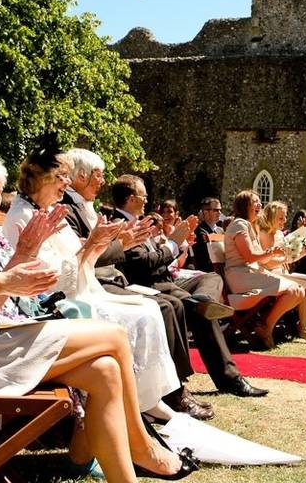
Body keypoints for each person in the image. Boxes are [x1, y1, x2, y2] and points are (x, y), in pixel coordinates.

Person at [0, 88, 195, 482]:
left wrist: (10, 280)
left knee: (106, 370)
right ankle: (144, 449)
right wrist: (5, 280)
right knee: (112, 336)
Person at [3, 143, 182, 421]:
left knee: (148, 309)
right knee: (141, 316)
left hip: (80, 289)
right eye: (61, 177)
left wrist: (99, 243)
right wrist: (93, 246)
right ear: (43, 178)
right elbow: (49, 278)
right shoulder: (23, 216)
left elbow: (80, 257)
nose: (65, 183)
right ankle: (135, 402)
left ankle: (149, 397)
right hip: (57, 302)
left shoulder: (49, 210)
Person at [60, 149, 214, 421]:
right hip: (106, 282)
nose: (103, 182)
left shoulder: (86, 208)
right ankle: (165, 392)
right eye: (99, 175)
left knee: (187, 294)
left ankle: (170, 387)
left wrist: (170, 243)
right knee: (166, 306)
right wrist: (159, 243)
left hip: (122, 278)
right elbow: (132, 262)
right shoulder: (75, 210)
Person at [114, 175, 267, 398]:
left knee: (212, 278)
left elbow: (155, 258)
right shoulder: (121, 223)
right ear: (130, 199)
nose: (146, 199)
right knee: (192, 308)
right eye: (143, 195)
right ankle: (228, 379)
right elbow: (141, 265)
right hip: (147, 284)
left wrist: (176, 244)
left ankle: (202, 299)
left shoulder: (140, 221)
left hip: (167, 278)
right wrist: (174, 244)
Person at [223, 191, 305, 349]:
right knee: (293, 290)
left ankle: (265, 325)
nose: (260, 205)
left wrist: (278, 252)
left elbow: (262, 259)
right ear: (244, 205)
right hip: (240, 277)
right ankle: (265, 327)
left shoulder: (250, 226)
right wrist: (272, 252)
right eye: (255, 202)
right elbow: (249, 256)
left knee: (299, 291)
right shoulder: (239, 224)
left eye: (260, 202)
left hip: (252, 273)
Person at [255, 201, 306, 340]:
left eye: (285, 217)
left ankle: (304, 325)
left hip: (280, 272)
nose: (284, 221)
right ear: (271, 217)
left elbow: (289, 257)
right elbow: (268, 263)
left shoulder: (279, 234)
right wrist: (285, 259)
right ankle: (293, 326)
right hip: (267, 274)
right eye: (281, 218)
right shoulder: (263, 234)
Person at [190, 197, 223, 273]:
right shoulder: (199, 231)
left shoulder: (220, 230)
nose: (220, 213)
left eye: (220, 210)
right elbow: (209, 254)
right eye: (216, 210)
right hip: (208, 272)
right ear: (205, 212)